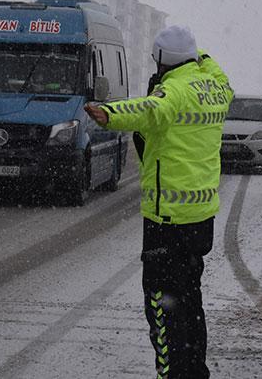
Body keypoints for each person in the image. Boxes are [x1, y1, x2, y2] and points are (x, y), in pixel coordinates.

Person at [84, 26, 232, 379]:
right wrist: (202, 58)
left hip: (168, 220)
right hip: (199, 219)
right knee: (190, 301)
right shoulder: (216, 88)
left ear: (163, 61)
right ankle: (194, 371)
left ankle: (172, 374)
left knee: (162, 306)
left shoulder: (175, 91)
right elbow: (217, 72)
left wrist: (110, 114)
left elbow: (149, 110)